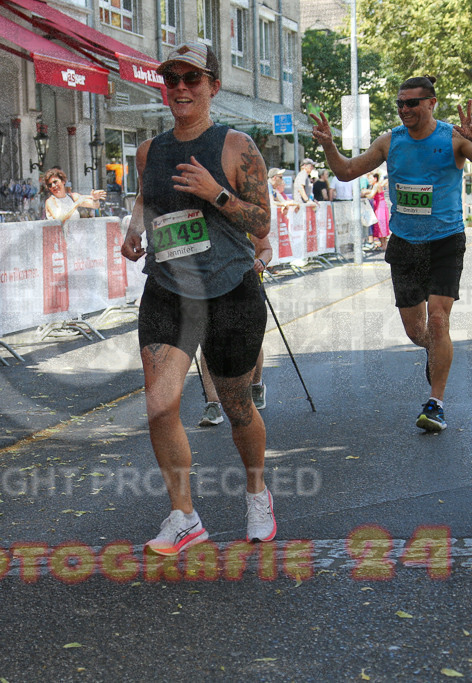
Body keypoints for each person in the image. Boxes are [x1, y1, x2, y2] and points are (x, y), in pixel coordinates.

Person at [120, 41, 275, 555]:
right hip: (168, 289)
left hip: (230, 290)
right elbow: (146, 197)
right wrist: (134, 228)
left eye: (192, 79)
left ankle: (257, 494)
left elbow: (261, 222)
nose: (181, 88)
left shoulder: (236, 146)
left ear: (213, 85)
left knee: (236, 407)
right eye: (172, 79)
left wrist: (216, 193)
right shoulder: (149, 151)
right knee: (160, 404)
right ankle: (184, 517)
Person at [311, 75, 472, 432]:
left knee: (438, 320)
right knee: (417, 331)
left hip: (445, 240)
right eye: (400, 103)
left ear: (431, 103)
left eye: (412, 103)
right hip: (404, 242)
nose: (404, 109)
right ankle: (437, 351)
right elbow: (346, 171)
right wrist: (329, 145)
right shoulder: (390, 141)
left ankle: (436, 404)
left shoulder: (453, 138)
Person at [198, 233, 274, 426]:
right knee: (207, 341)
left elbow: (266, 249)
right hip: (210, 286)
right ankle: (213, 404)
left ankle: (256, 385)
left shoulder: (244, 217)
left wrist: (261, 262)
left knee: (250, 340)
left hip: (246, 286)